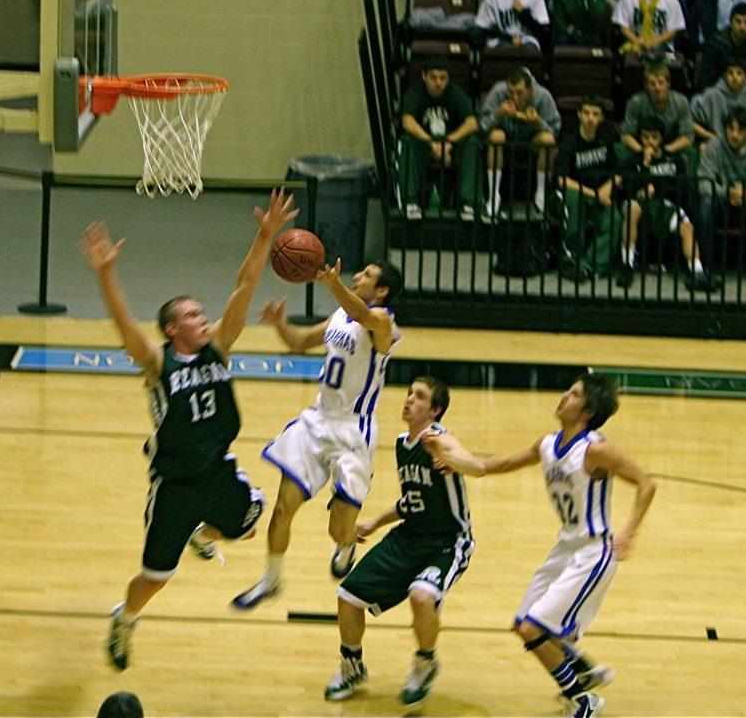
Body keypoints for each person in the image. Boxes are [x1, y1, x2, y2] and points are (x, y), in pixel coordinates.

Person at [79, 190, 298, 671]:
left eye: (202, 313)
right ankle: (125, 618)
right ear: (173, 329)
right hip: (175, 485)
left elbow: (243, 286)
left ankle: (204, 533)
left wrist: (265, 237)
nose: (204, 319)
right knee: (155, 577)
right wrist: (106, 273)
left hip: (217, 472)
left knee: (246, 521)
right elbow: (125, 329)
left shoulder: (218, 347)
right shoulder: (158, 363)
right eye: (192, 316)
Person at [425, 373, 657, 718]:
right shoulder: (547, 444)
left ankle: (582, 699)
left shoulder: (596, 448)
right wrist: (451, 458)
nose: (564, 395)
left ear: (588, 410)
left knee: (535, 628)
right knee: (524, 624)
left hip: (592, 552)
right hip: (564, 549)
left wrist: (630, 533)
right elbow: (492, 465)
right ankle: (582, 669)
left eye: (574, 393)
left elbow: (646, 484)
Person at [232, 258, 404, 610]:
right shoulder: (339, 316)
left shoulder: (384, 322)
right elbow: (298, 342)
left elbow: (363, 316)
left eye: (367, 275)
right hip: (317, 421)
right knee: (282, 509)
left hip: (354, 430)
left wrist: (333, 284)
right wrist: (280, 324)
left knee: (338, 529)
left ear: (382, 291)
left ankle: (346, 545)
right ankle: (272, 579)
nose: (358, 275)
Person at [323, 377, 475, 709]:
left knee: (421, 596)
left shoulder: (441, 441)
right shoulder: (401, 444)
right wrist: (375, 523)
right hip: (408, 536)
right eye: (409, 394)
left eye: (419, 397)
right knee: (348, 597)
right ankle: (352, 667)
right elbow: (411, 501)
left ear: (434, 411)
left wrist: (456, 461)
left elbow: (466, 459)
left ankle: (425, 663)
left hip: (447, 542)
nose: (408, 400)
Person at [618, 117, 720, 292]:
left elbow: (682, 189)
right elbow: (627, 188)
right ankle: (627, 265)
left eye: (654, 137)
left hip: (667, 205)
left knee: (687, 227)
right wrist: (645, 164)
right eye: (645, 137)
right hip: (639, 205)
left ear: (661, 138)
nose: (650, 141)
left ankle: (697, 272)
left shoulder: (674, 161)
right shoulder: (632, 161)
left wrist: (656, 187)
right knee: (632, 209)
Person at [695, 107, 746, 281]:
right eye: (730, 129)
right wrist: (727, 193)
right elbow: (703, 182)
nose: (734, 135)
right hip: (722, 203)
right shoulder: (714, 147)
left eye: (740, 130)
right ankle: (704, 267)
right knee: (705, 205)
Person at [397, 57, 480, 220]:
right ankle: (411, 202)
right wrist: (431, 142)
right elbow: (407, 121)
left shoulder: (455, 93)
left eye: (443, 78)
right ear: (424, 77)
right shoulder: (415, 92)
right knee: (408, 140)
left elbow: (472, 123)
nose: (438, 82)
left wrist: (448, 142)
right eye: (433, 77)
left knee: (472, 142)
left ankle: (468, 203)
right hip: (424, 145)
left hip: (450, 146)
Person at [478, 68, 561, 220]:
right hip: (504, 144)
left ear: (530, 91)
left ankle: (541, 195)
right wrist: (498, 115)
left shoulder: (542, 96)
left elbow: (556, 132)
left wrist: (538, 122)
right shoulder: (498, 92)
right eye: (510, 92)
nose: (514, 97)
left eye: (519, 92)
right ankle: (493, 196)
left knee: (547, 140)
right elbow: (482, 127)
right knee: (496, 136)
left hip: (531, 145)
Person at [555, 97, 621, 283]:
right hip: (573, 195)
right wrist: (595, 194)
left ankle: (587, 266)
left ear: (601, 118)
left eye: (595, 114)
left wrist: (606, 190)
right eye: (586, 113)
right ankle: (572, 257)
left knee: (615, 218)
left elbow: (618, 174)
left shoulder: (607, 140)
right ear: (579, 115)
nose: (590, 118)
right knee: (574, 199)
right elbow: (562, 180)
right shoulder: (569, 141)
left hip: (599, 198)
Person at [692, 58, 746, 149]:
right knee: (704, 148)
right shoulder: (711, 94)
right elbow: (691, 121)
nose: (735, 77)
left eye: (739, 73)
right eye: (730, 73)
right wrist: (711, 137)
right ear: (724, 76)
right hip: (718, 144)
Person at [620, 61, 695, 156]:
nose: (657, 88)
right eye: (652, 83)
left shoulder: (681, 101)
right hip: (642, 147)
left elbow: (688, 136)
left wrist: (665, 150)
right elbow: (625, 135)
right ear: (646, 86)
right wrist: (642, 151)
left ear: (668, 83)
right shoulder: (636, 102)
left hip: (671, 147)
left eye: (661, 82)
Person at [693, 3, 746, 92]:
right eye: (738, 21)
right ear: (730, 23)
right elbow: (706, 78)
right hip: (719, 92)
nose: (742, 27)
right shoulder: (717, 43)